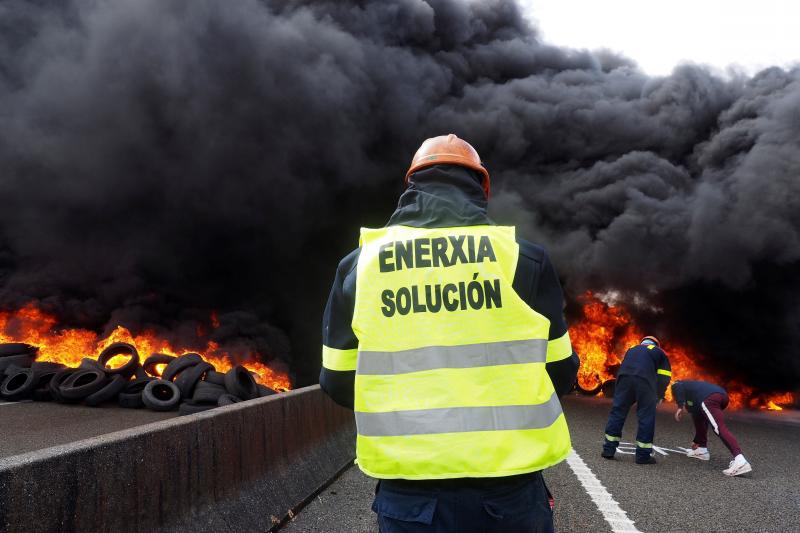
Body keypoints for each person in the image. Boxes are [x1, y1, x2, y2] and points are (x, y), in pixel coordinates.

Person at [319, 134, 580, 532]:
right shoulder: (523, 259)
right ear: (483, 188)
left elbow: (336, 380)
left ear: (411, 187)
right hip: (509, 491)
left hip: (410, 494)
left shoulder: (360, 265)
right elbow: (562, 372)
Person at [601, 336, 671, 464]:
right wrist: (659, 395)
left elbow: (623, 368)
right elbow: (664, 377)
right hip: (645, 382)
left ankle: (608, 450)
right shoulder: (659, 352)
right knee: (646, 416)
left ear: (642, 342)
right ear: (656, 344)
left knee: (618, 412)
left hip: (624, 381)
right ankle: (642, 456)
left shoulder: (632, 349)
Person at [672, 380, 752, 476]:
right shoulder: (694, 400)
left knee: (718, 427)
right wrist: (698, 441)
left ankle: (740, 460)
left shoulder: (679, 385)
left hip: (709, 397)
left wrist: (680, 406)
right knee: (701, 418)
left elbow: (676, 385)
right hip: (722, 396)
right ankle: (701, 450)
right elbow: (699, 420)